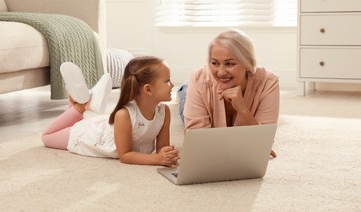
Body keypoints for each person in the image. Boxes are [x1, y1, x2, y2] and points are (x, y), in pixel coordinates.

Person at [42, 56, 180, 166]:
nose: (172, 85)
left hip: (108, 127)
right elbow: (125, 155)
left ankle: (77, 102)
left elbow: (162, 148)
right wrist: (157, 160)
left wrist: (166, 155)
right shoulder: (124, 115)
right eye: (167, 80)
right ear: (148, 89)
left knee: (74, 124)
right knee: (47, 137)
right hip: (92, 136)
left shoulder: (164, 112)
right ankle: (80, 105)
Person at [180, 29, 279, 157]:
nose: (221, 72)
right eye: (215, 63)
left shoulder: (268, 82)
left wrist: (243, 109)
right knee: (184, 95)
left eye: (229, 64)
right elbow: (197, 140)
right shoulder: (198, 79)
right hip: (194, 88)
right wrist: (249, 144)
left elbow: (264, 142)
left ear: (248, 63)